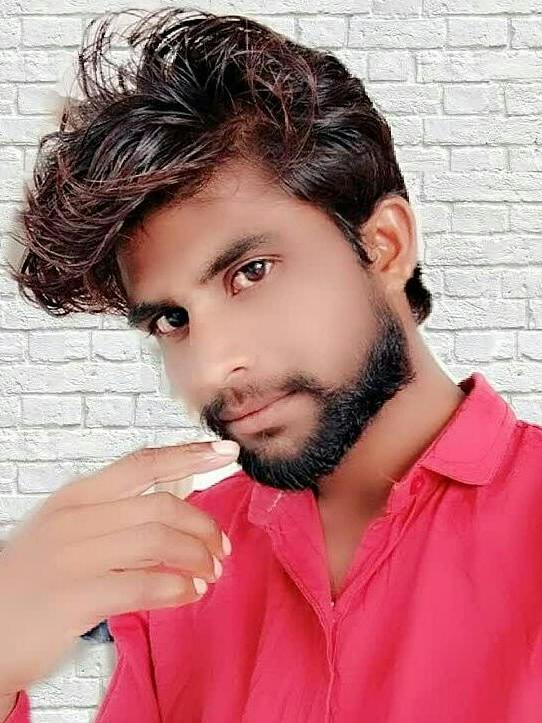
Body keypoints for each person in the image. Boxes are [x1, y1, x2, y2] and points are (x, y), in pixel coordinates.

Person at [1, 7, 541, 722]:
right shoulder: (184, 562)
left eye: (251, 272)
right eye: (172, 319)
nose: (211, 365)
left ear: (383, 245)